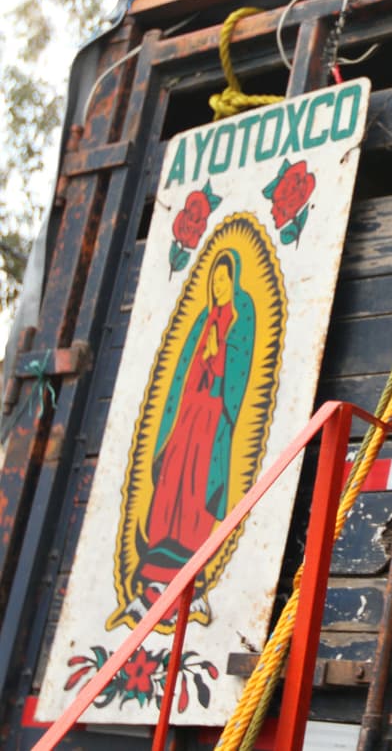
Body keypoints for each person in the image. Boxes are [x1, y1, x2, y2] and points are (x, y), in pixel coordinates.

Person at [133, 248, 255, 620]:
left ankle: (188, 576)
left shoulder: (237, 321)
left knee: (197, 494)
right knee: (170, 489)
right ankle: (153, 577)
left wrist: (219, 356)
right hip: (186, 419)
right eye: (214, 280)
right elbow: (182, 376)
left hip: (211, 424)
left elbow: (237, 373)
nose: (218, 286)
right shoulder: (204, 320)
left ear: (232, 284)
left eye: (224, 280)